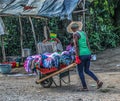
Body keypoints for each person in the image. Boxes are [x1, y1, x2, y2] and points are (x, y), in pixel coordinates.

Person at [67, 21, 103, 91]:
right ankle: (98, 81)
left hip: (81, 54)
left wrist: (77, 57)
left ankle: (85, 87)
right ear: (78, 27)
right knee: (87, 70)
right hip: (88, 53)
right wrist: (90, 53)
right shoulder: (83, 33)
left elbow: (76, 46)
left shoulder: (75, 34)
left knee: (80, 71)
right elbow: (87, 43)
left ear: (73, 29)